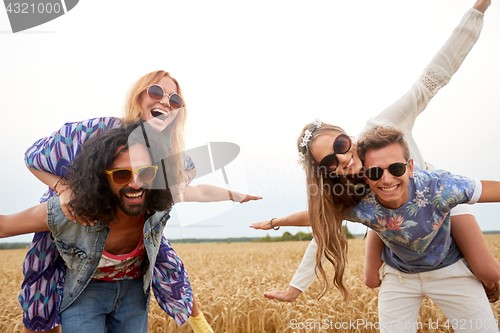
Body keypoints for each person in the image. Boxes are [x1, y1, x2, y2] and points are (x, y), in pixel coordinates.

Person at [250, 0, 500, 304]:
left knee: (488, 271)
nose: (342, 158)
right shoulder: (344, 188)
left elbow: (432, 79)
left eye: (341, 145)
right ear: (325, 170)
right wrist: (295, 288)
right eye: (330, 161)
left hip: (435, 204)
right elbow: (322, 225)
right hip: (390, 222)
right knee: (371, 279)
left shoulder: (384, 126)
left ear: (346, 134)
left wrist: (477, 11)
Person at [21, 70, 260, 333]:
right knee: (43, 285)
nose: (165, 102)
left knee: (169, 265)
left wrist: (228, 194)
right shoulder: (99, 129)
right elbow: (33, 155)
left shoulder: (165, 150)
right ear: (139, 96)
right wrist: (62, 187)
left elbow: (188, 171)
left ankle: (200, 325)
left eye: (175, 100)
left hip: (133, 230)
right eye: (157, 92)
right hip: (76, 224)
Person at [2, 122, 188, 333]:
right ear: (101, 177)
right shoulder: (70, 211)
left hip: (133, 294)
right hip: (84, 294)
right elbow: (4, 226)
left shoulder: (154, 209)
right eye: (121, 174)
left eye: (145, 172)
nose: (136, 184)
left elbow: (172, 264)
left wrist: (199, 321)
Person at [352, 126, 498, 332]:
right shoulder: (364, 202)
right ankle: (377, 225)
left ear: (410, 167)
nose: (386, 178)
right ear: (365, 176)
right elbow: (318, 217)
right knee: (370, 279)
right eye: (375, 172)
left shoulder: (441, 187)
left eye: (395, 168)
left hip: (445, 249)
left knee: (488, 271)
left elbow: (490, 190)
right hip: (400, 271)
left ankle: (491, 286)